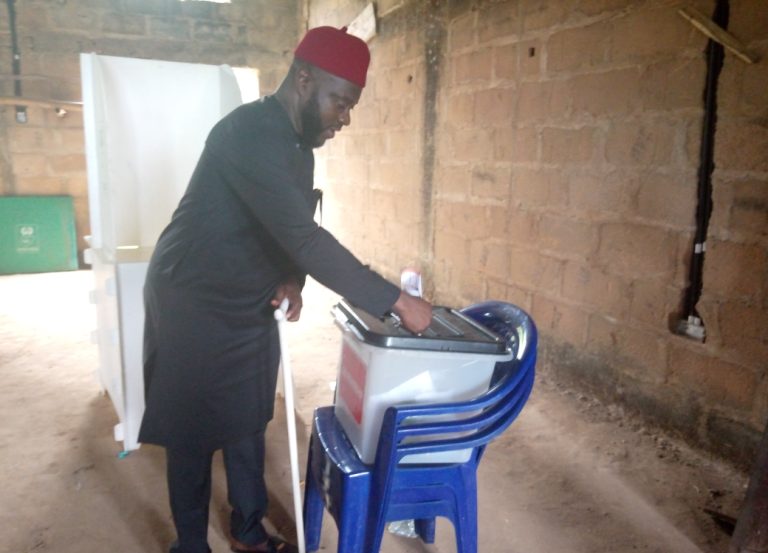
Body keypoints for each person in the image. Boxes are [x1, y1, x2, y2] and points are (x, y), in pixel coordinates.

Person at [138, 26, 433, 553]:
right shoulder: (248, 133)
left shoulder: (300, 147)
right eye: (340, 102)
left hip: (249, 293)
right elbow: (305, 237)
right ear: (304, 79)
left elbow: (289, 228)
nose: (345, 118)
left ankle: (248, 530)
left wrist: (290, 279)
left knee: (249, 412)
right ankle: (189, 544)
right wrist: (395, 300)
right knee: (194, 426)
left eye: (351, 107)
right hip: (194, 293)